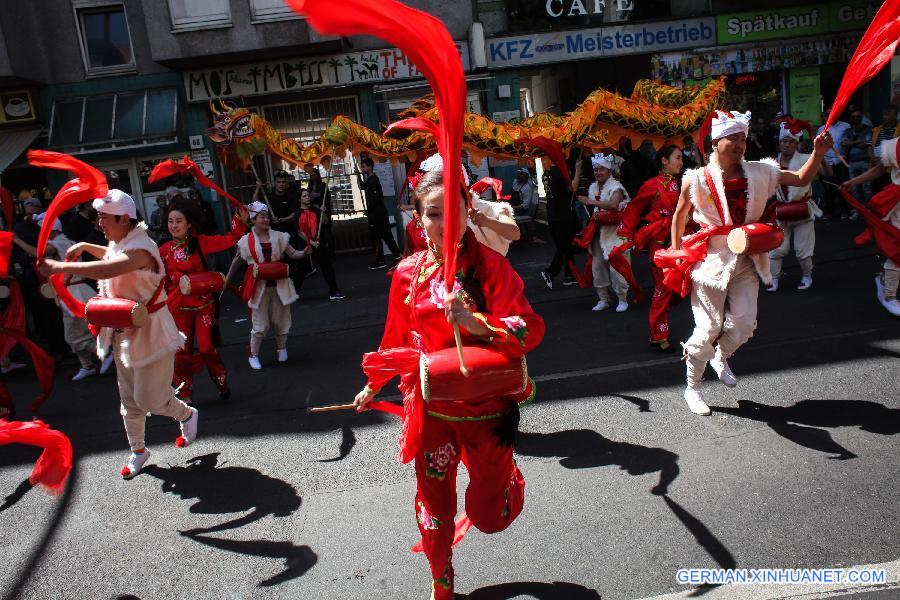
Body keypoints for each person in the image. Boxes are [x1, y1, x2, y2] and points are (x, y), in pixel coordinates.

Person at [353, 168, 545, 600]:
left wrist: (473, 322)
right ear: (419, 220)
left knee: (488, 516)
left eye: (455, 214)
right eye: (435, 214)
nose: (445, 225)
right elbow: (396, 337)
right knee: (436, 510)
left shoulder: (493, 268)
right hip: (434, 411)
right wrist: (373, 384)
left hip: (489, 413)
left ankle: (505, 482)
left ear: (469, 214)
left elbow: (529, 328)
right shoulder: (408, 274)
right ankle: (442, 582)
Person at [667, 111, 832, 416]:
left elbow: (799, 178)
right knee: (708, 327)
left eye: (744, 138)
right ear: (716, 142)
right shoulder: (697, 178)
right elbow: (679, 217)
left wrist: (818, 152)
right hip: (710, 260)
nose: (741, 144)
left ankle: (721, 355)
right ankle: (693, 387)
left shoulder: (759, 172)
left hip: (746, 258)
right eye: (734, 139)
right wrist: (677, 255)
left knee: (744, 324)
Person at [38, 189, 197, 479]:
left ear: (124, 219)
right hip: (124, 332)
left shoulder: (141, 248)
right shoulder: (124, 242)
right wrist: (87, 245)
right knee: (129, 400)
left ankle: (185, 414)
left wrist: (60, 266)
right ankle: (138, 450)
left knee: (149, 398)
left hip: (153, 332)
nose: (99, 222)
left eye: (104, 217)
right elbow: (112, 255)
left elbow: (110, 267)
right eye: (98, 216)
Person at [160, 200, 248, 403]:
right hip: (178, 305)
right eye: (171, 221)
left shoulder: (200, 242)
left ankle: (221, 382)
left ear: (189, 224)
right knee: (181, 352)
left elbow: (230, 239)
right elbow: (155, 275)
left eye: (179, 221)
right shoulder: (164, 250)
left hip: (203, 304)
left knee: (207, 347)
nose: (174, 225)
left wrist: (238, 221)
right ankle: (185, 391)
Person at [12, 214, 98, 381]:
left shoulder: (60, 242)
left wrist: (17, 240)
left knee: (76, 335)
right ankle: (88, 365)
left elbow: (39, 253)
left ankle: (105, 354)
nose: (40, 233)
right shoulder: (64, 241)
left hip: (75, 293)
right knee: (76, 334)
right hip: (71, 292)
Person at [616, 145, 684, 350]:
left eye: (681, 158)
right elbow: (634, 207)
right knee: (663, 289)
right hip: (661, 246)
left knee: (683, 285)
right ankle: (659, 334)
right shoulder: (651, 185)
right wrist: (626, 234)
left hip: (680, 242)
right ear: (664, 160)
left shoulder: (682, 183)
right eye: (677, 158)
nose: (681, 162)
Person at [227, 202, 306, 370]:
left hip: (279, 285)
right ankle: (253, 355)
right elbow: (237, 260)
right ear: (254, 220)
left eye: (267, 216)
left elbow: (293, 254)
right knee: (260, 325)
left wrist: (305, 252)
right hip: (258, 287)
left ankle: (282, 348)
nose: (266, 219)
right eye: (262, 216)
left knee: (282, 321)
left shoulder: (279, 236)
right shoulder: (245, 241)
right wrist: (227, 279)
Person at [767, 123, 831, 292]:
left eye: (790, 142)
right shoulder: (772, 163)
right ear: (780, 143)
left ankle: (807, 275)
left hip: (803, 209)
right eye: (784, 141)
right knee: (776, 248)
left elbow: (828, 174)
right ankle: (774, 278)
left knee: (802, 249)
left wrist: (819, 156)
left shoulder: (806, 159)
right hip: (781, 211)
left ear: (796, 144)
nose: (787, 144)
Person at [842, 136, 900, 317]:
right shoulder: (894, 145)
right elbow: (878, 170)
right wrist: (853, 182)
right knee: (897, 248)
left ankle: (884, 281)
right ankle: (889, 295)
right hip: (898, 204)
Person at [12, 197, 68, 359]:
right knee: (45, 315)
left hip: (58, 278)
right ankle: (56, 349)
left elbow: (40, 252)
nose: (32, 217)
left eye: (34, 212)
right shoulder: (21, 228)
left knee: (62, 316)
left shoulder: (53, 228)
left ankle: (71, 347)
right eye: (28, 214)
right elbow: (24, 253)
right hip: (35, 278)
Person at [577, 153, 632, 313]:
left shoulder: (617, 186)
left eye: (602, 169)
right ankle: (603, 299)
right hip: (598, 232)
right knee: (597, 266)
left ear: (609, 171)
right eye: (596, 170)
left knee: (617, 267)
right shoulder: (593, 187)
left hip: (616, 232)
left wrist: (591, 201)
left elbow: (614, 204)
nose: (598, 172)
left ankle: (622, 298)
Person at [294, 188, 345, 300]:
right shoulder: (298, 214)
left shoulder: (315, 210)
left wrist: (323, 212)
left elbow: (325, 221)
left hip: (319, 245)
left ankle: (334, 291)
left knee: (328, 268)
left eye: (308, 195)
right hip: (307, 246)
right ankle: (292, 293)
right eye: (304, 196)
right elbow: (300, 232)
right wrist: (311, 242)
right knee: (302, 271)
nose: (307, 197)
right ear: (299, 199)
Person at [540, 157, 579, 290]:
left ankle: (570, 275)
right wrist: (578, 171)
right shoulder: (558, 172)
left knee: (565, 247)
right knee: (564, 246)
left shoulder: (546, 174)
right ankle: (550, 272)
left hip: (552, 215)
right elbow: (572, 188)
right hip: (563, 215)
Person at [360, 156, 401, 270]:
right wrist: (358, 175)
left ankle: (384, 259)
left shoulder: (374, 180)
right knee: (384, 236)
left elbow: (376, 199)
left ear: (369, 167)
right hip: (377, 214)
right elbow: (363, 186)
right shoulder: (369, 179)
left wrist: (368, 211)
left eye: (363, 167)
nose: (362, 168)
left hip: (378, 215)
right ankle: (394, 256)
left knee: (381, 237)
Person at [817, 107, 851, 219]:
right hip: (827, 162)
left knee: (842, 186)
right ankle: (830, 212)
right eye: (827, 114)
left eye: (831, 114)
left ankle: (844, 211)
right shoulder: (822, 129)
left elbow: (849, 141)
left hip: (840, 161)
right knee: (828, 188)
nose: (829, 116)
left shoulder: (846, 126)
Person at [842, 109, 873, 210]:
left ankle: (867, 209)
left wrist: (851, 143)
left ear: (861, 117)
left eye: (858, 116)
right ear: (850, 118)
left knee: (866, 187)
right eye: (853, 117)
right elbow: (843, 143)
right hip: (852, 163)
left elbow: (866, 143)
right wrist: (857, 142)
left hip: (865, 162)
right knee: (855, 188)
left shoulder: (867, 129)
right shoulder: (848, 131)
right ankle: (858, 210)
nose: (856, 118)